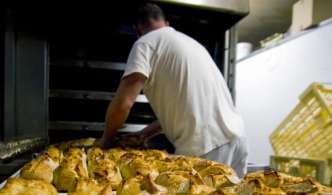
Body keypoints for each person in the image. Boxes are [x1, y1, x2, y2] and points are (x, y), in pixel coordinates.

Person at [100, 3, 248, 177]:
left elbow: (124, 103)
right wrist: (144, 134)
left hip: (206, 148)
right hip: (237, 138)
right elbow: (187, 106)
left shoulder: (144, 44)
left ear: (137, 30)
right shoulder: (192, 43)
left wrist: (106, 142)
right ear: (167, 23)